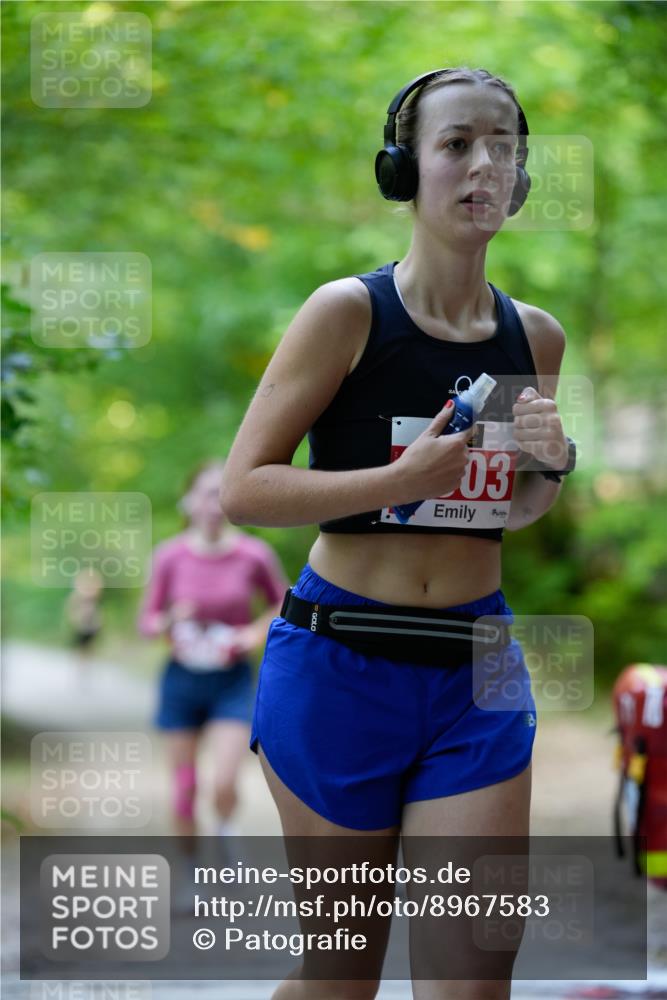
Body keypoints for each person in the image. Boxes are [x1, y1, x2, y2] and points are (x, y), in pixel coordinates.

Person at [221, 67, 575, 1000]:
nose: (483, 165)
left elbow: (509, 511)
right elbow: (243, 490)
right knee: (342, 979)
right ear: (403, 169)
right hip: (339, 660)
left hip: (477, 668)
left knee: (473, 981)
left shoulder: (533, 337)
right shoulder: (346, 312)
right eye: (456, 143)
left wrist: (550, 463)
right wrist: (396, 480)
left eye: (503, 146)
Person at [137, 459, 289, 840]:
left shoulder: (253, 554)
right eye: (206, 494)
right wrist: (171, 621)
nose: (213, 504)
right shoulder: (169, 555)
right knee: (185, 789)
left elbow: (284, 605)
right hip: (182, 679)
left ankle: (224, 839)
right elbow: (148, 623)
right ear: (188, 502)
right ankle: (190, 876)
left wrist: (253, 634)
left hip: (232, 680)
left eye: (221, 495)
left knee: (223, 781)